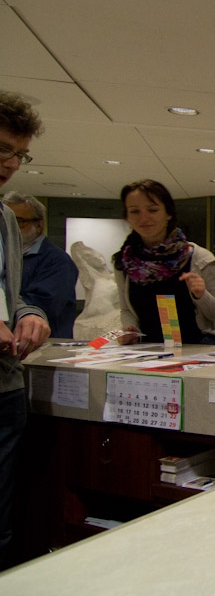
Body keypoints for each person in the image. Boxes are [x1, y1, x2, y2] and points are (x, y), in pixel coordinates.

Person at [0, 92, 51, 566]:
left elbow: (9, 293)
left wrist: (28, 314)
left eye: (19, 153)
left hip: (5, 386)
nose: (10, 163)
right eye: (1, 149)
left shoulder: (5, 221)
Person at [113, 180, 215, 345]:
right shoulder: (124, 262)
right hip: (147, 352)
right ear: (127, 217)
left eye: (153, 210)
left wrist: (202, 295)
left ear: (169, 213)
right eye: (135, 211)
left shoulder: (199, 258)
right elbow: (126, 310)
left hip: (198, 350)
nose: (143, 218)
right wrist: (129, 330)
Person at [2, 192, 78, 338]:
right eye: (3, 221)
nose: (8, 227)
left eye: (17, 221)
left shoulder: (57, 261)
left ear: (39, 226)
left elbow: (41, 306)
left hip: (42, 349)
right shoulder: (6, 256)